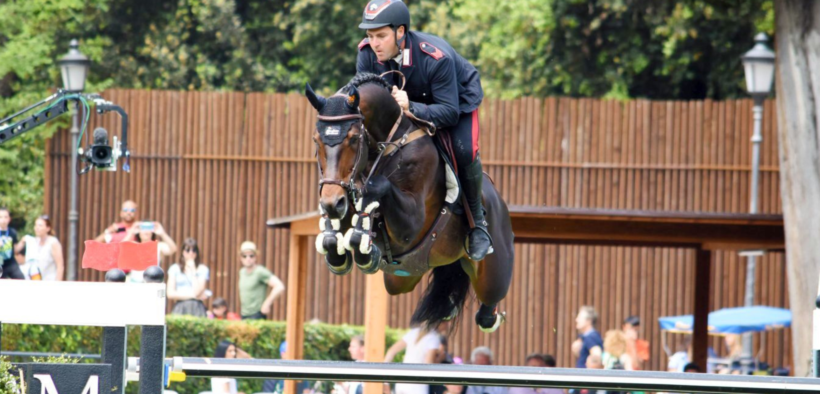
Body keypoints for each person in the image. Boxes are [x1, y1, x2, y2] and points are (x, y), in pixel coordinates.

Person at [355, 0, 492, 261]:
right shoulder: (366, 54)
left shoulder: (435, 58)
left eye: (381, 35)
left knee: (463, 151)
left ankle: (478, 226)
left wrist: (413, 107)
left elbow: (449, 112)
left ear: (401, 32)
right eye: (370, 36)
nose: (375, 43)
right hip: (404, 105)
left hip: (456, 102)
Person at [383, 324, 443, 394]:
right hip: (418, 385)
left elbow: (391, 351)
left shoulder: (413, 332)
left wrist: (385, 380)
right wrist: (440, 359)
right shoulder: (433, 338)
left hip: (402, 383)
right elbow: (429, 364)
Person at [238, 241, 285, 320]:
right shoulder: (242, 272)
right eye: (244, 256)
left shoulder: (260, 271)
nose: (248, 258)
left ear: (255, 257)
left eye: (251, 256)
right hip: (244, 314)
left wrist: (267, 303)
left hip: (257, 314)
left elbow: (279, 286)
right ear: (241, 258)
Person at [167, 238, 209, 317]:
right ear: (183, 252)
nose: (191, 253)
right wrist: (193, 296)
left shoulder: (202, 269)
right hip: (180, 305)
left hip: (197, 307)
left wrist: (193, 270)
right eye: (187, 250)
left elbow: (197, 291)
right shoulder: (174, 268)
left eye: (194, 250)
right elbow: (170, 293)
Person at [20, 215, 64, 281]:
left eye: (40, 226)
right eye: (36, 225)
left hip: (50, 281)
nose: (37, 228)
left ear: (48, 228)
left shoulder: (53, 242)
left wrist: (57, 282)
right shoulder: (33, 241)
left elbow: (60, 265)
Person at [0, 207, 24, 279]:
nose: (3, 220)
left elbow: (15, 249)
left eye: (5, 217)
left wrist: (22, 242)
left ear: (9, 219)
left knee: (21, 278)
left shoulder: (12, 232)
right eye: (1, 217)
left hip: (10, 262)